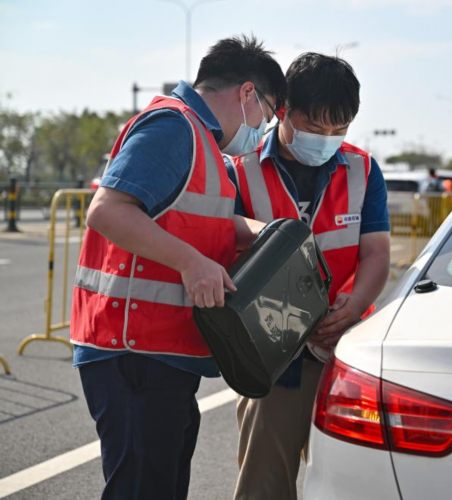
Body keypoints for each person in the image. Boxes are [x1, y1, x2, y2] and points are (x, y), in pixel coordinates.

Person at [69, 35, 285, 500]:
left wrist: (270, 234)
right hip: (133, 353)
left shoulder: (208, 147)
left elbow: (203, 219)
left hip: (165, 352)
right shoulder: (173, 127)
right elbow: (107, 211)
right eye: (267, 117)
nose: (263, 131)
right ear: (248, 93)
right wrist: (192, 263)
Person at [226, 52, 391, 500]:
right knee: (263, 485)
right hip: (271, 355)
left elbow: (376, 253)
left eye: (340, 130)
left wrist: (354, 306)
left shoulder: (363, 169)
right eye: (317, 127)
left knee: (350, 484)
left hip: (341, 349)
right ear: (283, 109)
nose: (328, 139)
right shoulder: (238, 169)